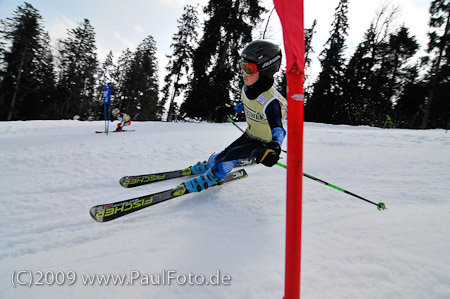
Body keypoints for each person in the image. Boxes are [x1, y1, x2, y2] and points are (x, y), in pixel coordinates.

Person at [175, 40, 287, 194]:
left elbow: (279, 130)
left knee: (230, 157)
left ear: (266, 70)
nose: (243, 73)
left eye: (248, 69)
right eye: (242, 67)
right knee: (226, 153)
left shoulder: (270, 101)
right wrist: (231, 110)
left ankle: (212, 176)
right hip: (249, 135)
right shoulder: (247, 89)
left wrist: (274, 148)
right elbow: (247, 104)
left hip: (263, 144)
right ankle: (213, 163)